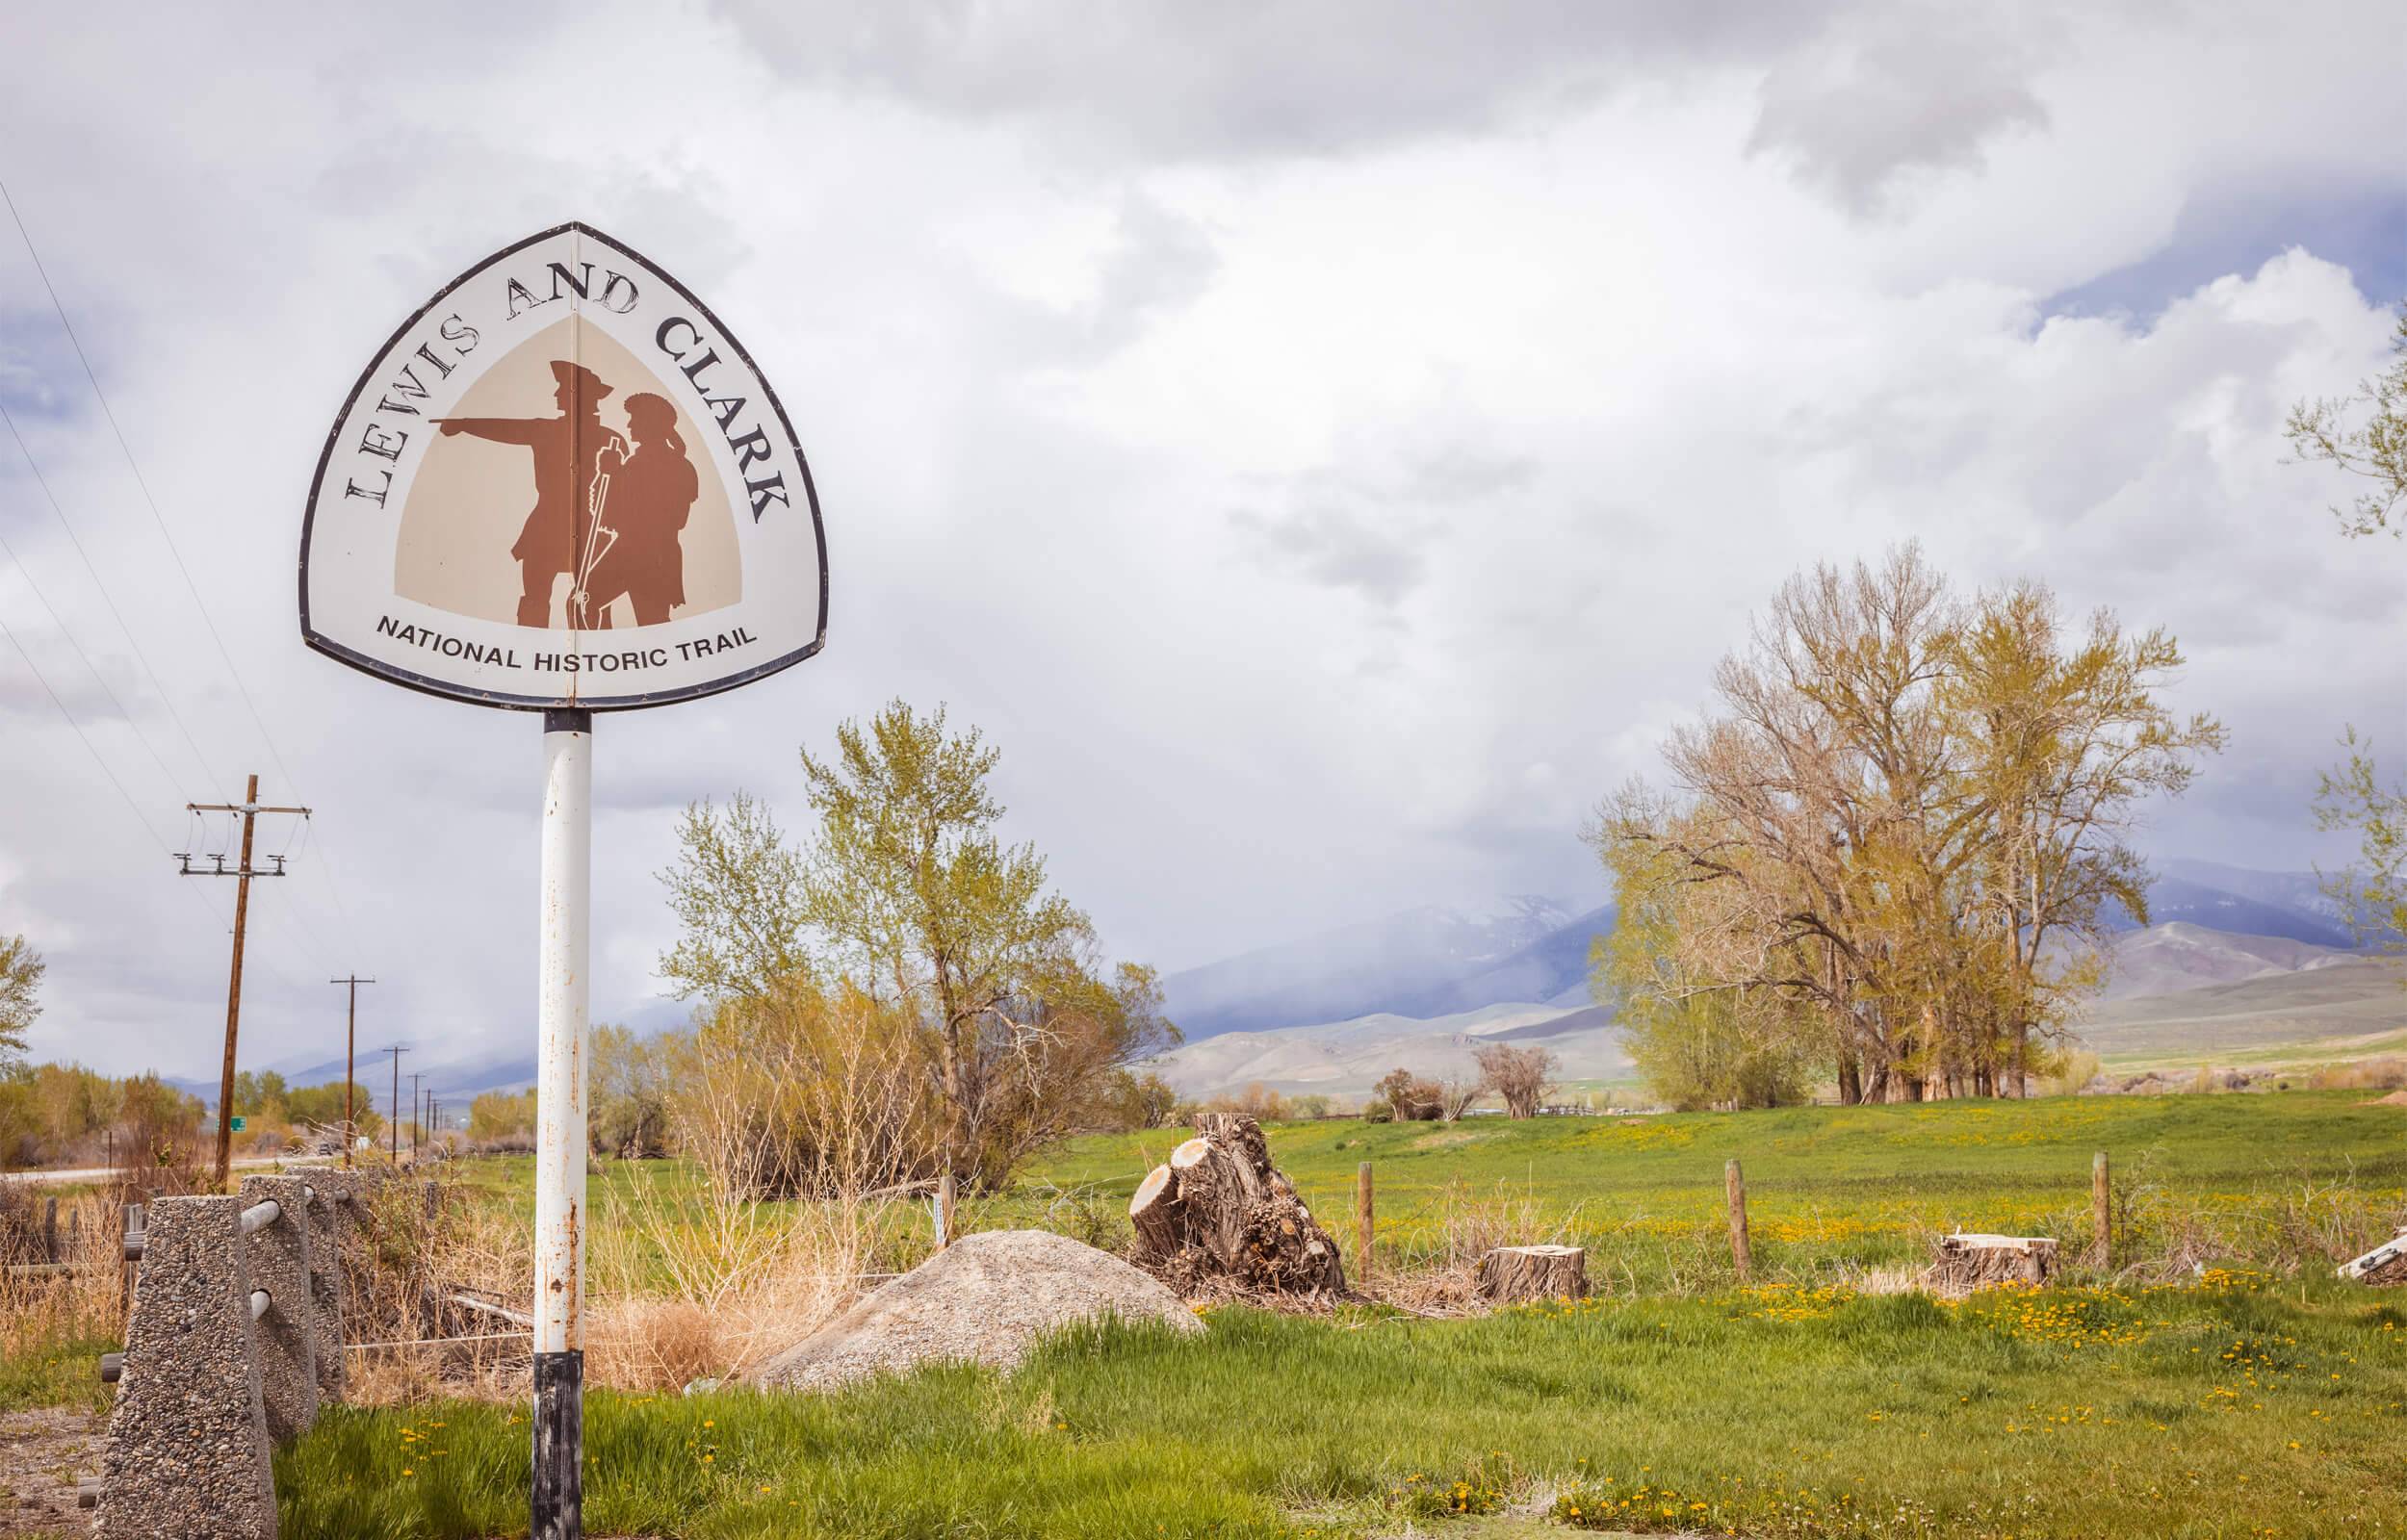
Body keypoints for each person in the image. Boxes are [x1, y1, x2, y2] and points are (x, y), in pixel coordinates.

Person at [434, 359, 618, 628]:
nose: (556, 395)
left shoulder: (609, 440)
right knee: (536, 598)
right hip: (545, 526)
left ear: (577, 397)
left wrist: (462, 423)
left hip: (590, 528)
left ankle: (596, 653)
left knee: (591, 602)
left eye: (562, 390)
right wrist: (464, 424)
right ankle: (531, 647)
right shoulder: (548, 430)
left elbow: (627, 489)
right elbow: (506, 429)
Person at [582, 393, 698, 627]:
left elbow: (676, 519)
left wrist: (616, 476)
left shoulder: (679, 467)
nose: (629, 425)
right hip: (627, 551)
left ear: (651, 424)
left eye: (635, 419)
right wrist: (607, 474)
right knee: (583, 601)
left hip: (655, 556)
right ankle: (600, 653)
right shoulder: (633, 465)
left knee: (654, 625)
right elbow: (605, 516)